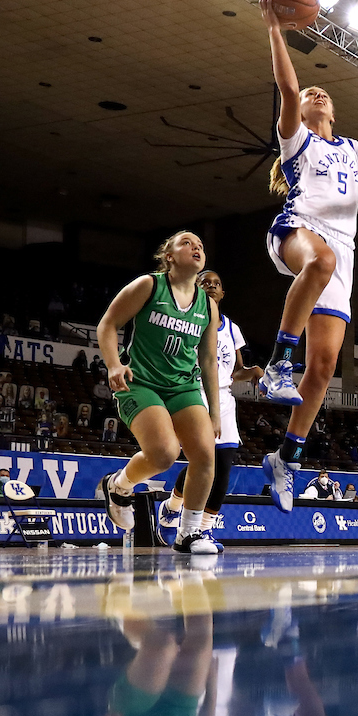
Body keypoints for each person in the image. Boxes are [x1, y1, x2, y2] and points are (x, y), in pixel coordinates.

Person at [258, 0, 358, 513]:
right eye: (311, 93)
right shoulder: (298, 141)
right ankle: (277, 362)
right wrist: (276, 30)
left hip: (341, 246)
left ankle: (286, 458)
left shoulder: (352, 148)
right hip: (298, 227)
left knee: (323, 369)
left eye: (323, 94)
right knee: (320, 261)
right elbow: (288, 83)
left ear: (335, 112)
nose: (315, 94)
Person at [96, 231, 220, 554]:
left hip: (183, 386)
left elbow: (208, 362)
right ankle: (119, 486)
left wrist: (215, 412)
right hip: (141, 381)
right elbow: (107, 324)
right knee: (165, 453)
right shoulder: (148, 286)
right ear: (169, 257)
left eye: (200, 246)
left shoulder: (208, 306)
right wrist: (112, 365)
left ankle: (189, 533)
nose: (196, 247)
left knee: (206, 454)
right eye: (187, 243)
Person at [163, 271, 263, 543]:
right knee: (202, 461)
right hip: (193, 394)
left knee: (223, 467)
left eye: (216, 283)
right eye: (204, 282)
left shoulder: (231, 328)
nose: (211, 286)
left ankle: (204, 527)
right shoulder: (184, 321)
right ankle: (173, 507)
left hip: (223, 400)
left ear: (222, 294)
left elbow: (236, 372)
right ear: (194, 288)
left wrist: (253, 372)